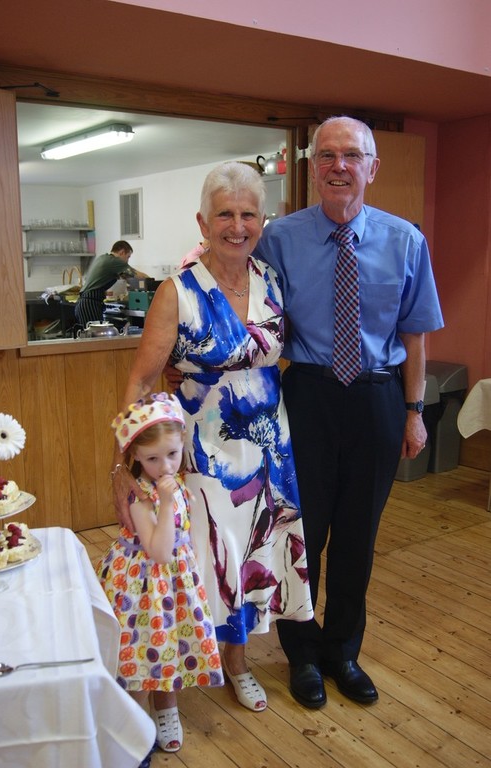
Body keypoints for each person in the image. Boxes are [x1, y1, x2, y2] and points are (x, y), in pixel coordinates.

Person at [253, 115, 444, 708]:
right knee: (301, 534)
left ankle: (343, 651)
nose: (340, 165)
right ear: (313, 166)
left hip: (377, 399)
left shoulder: (405, 240)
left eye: (352, 155)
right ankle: (302, 654)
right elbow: (246, 311)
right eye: (328, 155)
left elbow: (415, 336)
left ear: (371, 167)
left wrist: (414, 411)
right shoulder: (277, 238)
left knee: (359, 536)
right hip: (305, 395)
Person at [112, 161, 313, 714]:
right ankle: (167, 694)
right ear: (204, 221)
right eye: (225, 213)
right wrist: (123, 472)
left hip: (269, 450)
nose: (237, 225)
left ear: (262, 220)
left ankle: (237, 662)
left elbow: (275, 355)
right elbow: (141, 379)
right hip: (198, 454)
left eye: (248, 213)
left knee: (246, 561)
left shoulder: (270, 281)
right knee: (195, 565)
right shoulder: (178, 291)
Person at [97, 393, 223, 753]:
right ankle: (133, 718)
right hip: (141, 584)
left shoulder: (177, 482)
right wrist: (166, 502)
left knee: (170, 639)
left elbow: (182, 536)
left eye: (171, 453)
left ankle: (167, 707)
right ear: (135, 456)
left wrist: (193, 567)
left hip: (174, 580)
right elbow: (158, 549)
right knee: (139, 647)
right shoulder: (140, 496)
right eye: (152, 458)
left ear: (182, 442)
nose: (165, 465)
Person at [75, 239, 148, 327]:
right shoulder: (115, 261)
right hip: (90, 305)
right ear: (122, 252)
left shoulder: (103, 258)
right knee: (95, 338)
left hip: (83, 303)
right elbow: (140, 277)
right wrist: (153, 281)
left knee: (90, 336)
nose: (127, 261)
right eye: (128, 257)